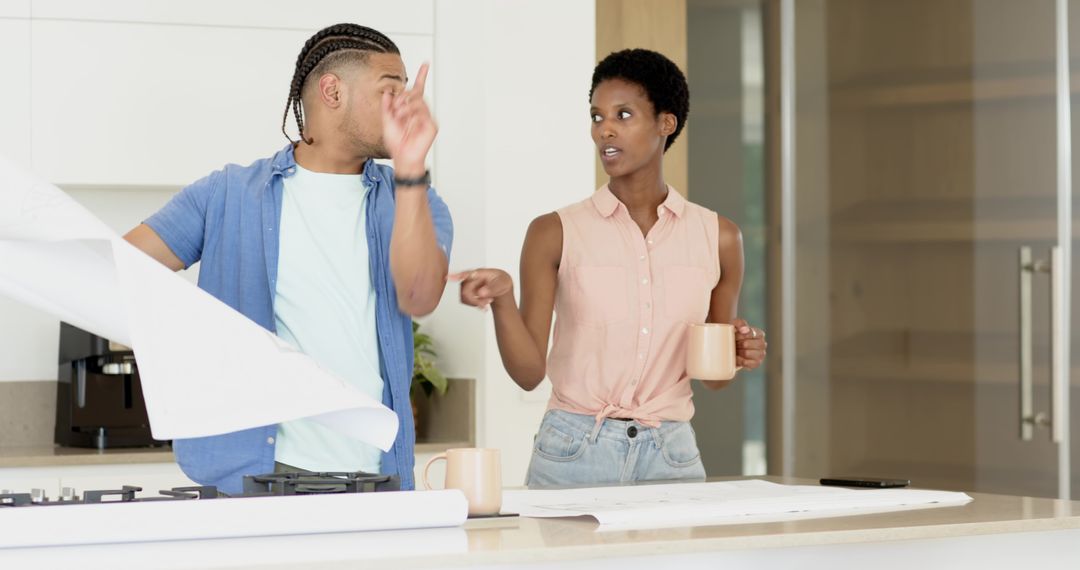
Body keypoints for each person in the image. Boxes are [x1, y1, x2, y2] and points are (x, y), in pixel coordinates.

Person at [123, 23, 453, 495]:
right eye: (390, 89)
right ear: (332, 90)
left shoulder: (415, 198)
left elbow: (419, 295)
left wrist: (410, 169)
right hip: (252, 478)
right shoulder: (226, 194)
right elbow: (120, 273)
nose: (407, 105)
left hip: (374, 479)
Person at [452, 49, 766, 486]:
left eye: (623, 114)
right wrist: (504, 300)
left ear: (665, 124)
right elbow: (528, 375)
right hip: (572, 452)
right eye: (597, 117)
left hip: (671, 455)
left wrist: (738, 353)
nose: (605, 130)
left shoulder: (720, 237)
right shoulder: (553, 232)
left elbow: (713, 379)